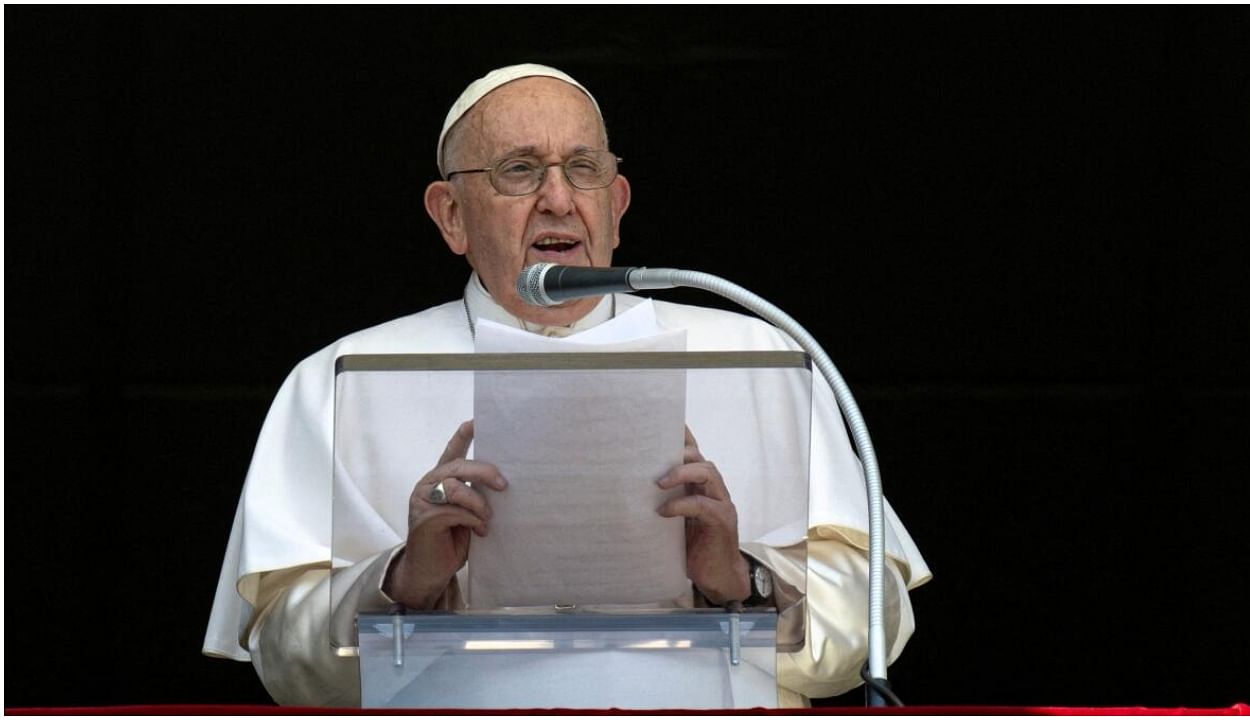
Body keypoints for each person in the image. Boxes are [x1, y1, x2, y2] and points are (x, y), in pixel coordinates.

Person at [203, 63, 931, 708]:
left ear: (615, 201)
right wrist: (403, 582)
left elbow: (875, 624)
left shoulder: (755, 351)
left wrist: (742, 579)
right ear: (450, 215)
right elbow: (283, 664)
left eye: (581, 170)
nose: (557, 198)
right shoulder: (340, 379)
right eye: (519, 170)